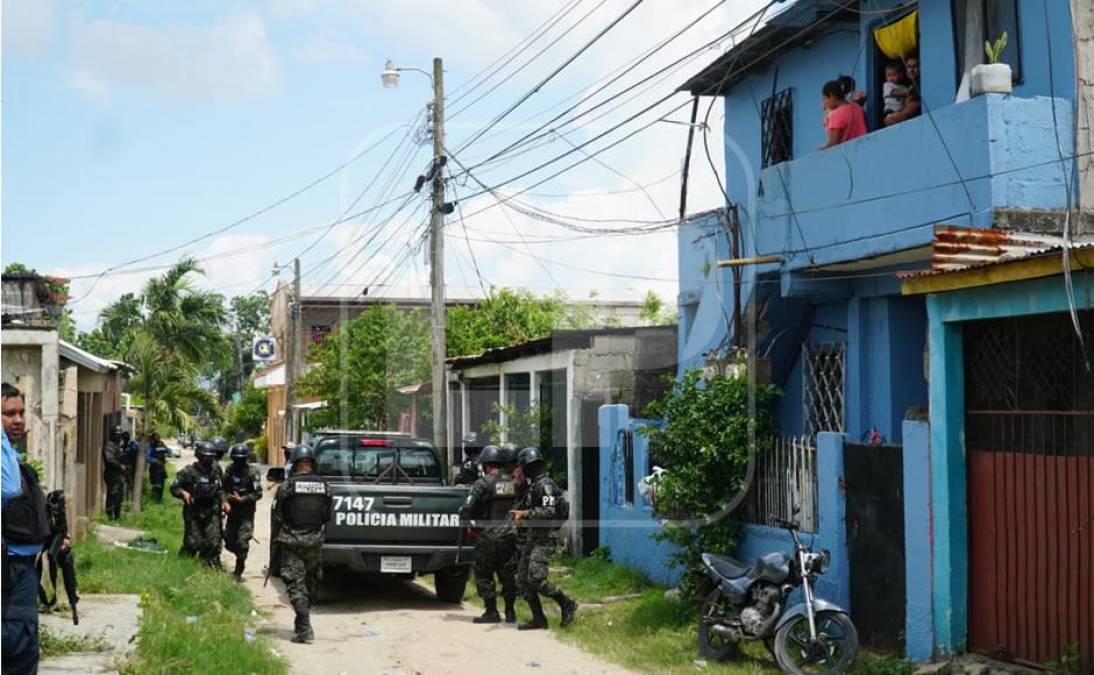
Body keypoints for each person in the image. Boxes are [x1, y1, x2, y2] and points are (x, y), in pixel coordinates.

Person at [2, 383, 50, 675]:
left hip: (23, 569)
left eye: (21, 412)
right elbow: (8, 489)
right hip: (9, 571)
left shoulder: (15, 461)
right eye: (9, 414)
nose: (18, 420)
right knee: (16, 646)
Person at [510, 447, 577, 631]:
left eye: (522, 467)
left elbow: (548, 511)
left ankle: (567, 603)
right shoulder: (532, 485)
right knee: (523, 580)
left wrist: (525, 514)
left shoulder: (545, 484)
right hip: (533, 537)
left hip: (545, 538)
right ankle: (539, 619)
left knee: (537, 578)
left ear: (529, 467)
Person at [272, 445, 332, 643]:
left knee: (294, 583)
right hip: (314, 541)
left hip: (292, 541)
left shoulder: (287, 486)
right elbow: (327, 516)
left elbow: (278, 515)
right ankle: (302, 624)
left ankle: (304, 627)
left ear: (295, 463)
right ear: (312, 463)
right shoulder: (325, 486)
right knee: (310, 581)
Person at [458, 445, 519, 624]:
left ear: (485, 465)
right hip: (510, 535)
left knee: (483, 573)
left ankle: (491, 611)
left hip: (489, 536)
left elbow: (468, 508)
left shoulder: (483, 483)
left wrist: (464, 514)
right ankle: (510, 611)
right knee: (507, 574)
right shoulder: (512, 483)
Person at [171, 441, 229, 567]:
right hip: (193, 511)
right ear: (199, 456)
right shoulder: (188, 472)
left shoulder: (216, 470)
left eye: (211, 457)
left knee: (213, 541)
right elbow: (174, 487)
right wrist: (183, 493)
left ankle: (207, 566)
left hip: (212, 510)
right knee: (193, 543)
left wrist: (224, 502)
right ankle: (182, 564)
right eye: (205, 457)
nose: (208, 460)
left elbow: (221, 489)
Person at [222, 443, 261, 581]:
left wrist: (242, 499)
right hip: (232, 513)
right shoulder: (229, 470)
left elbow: (258, 493)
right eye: (236, 459)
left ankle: (238, 572)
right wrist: (225, 502)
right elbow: (222, 489)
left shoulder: (252, 472)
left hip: (246, 514)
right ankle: (240, 554)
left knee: (243, 542)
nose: (238, 462)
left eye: (241, 459)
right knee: (229, 542)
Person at [820, 79, 868, 150]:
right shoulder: (857, 107)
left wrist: (821, 150)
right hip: (865, 147)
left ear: (832, 96)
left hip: (849, 153)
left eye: (825, 98)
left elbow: (833, 142)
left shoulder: (835, 114)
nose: (824, 103)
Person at [884, 55, 921, 126]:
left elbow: (910, 109)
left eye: (915, 66)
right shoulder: (904, 85)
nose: (911, 70)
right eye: (909, 67)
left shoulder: (920, 85)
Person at [103, 426, 127, 521]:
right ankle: (110, 515)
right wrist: (119, 465)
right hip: (112, 473)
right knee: (113, 493)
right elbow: (109, 459)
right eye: (118, 435)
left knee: (119, 495)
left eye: (120, 435)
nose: (119, 437)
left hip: (119, 474)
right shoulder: (109, 446)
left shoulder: (118, 446)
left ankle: (117, 516)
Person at [145, 433, 168, 503]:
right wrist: (154, 460)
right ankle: (156, 500)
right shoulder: (151, 447)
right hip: (155, 468)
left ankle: (158, 500)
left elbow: (167, 451)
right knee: (157, 485)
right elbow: (147, 457)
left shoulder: (159, 445)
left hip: (161, 468)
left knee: (161, 485)